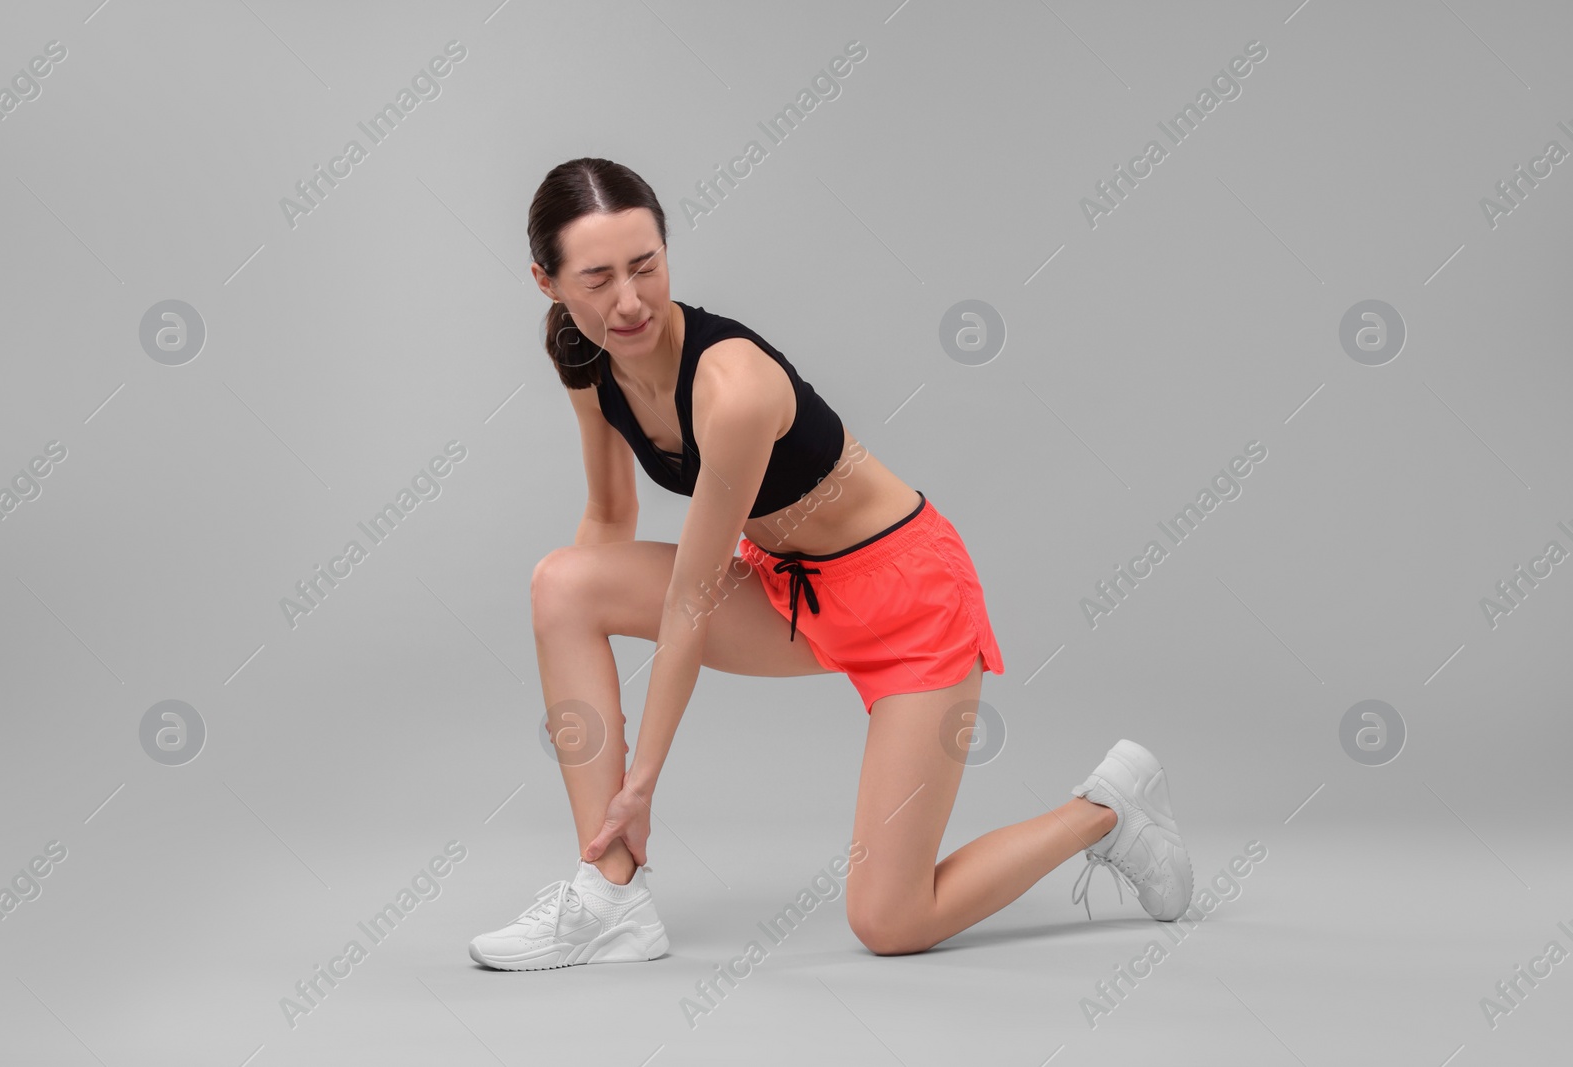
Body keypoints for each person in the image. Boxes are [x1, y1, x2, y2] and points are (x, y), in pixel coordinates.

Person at [467, 158, 1194, 971]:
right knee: (562, 584)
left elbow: (691, 597)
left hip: (908, 600)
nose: (629, 301)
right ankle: (609, 897)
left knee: (890, 920)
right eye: (597, 278)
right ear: (547, 281)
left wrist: (640, 785)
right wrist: (588, 649)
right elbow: (608, 518)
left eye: (646, 265)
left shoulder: (730, 387)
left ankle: (1105, 812)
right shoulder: (584, 353)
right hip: (788, 593)